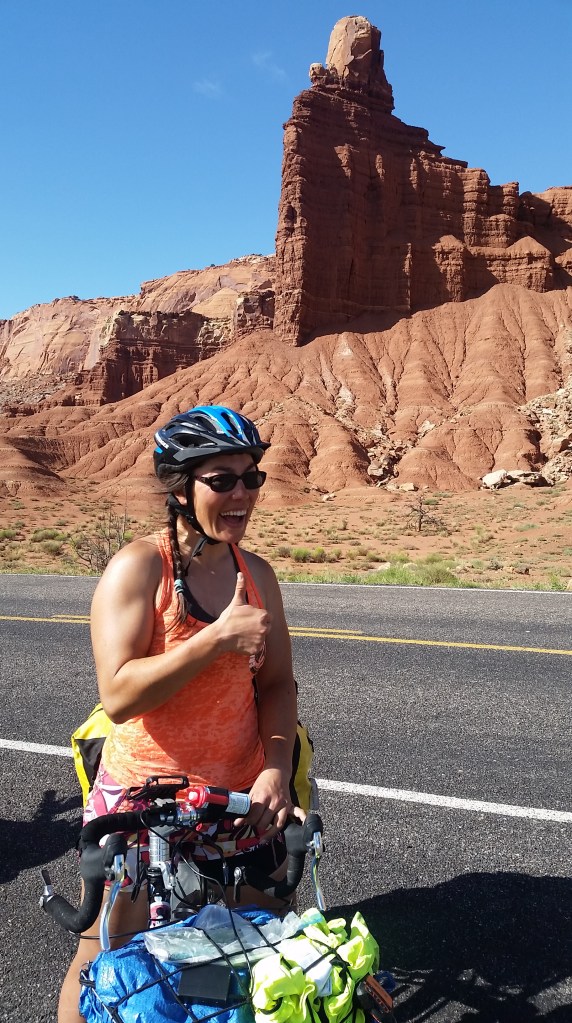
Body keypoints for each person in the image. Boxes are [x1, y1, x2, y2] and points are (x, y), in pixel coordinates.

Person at [59, 404, 300, 1023]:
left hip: (240, 790)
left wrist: (275, 768)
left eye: (251, 477)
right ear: (181, 488)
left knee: (261, 940)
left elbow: (276, 685)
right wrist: (214, 639)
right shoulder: (140, 569)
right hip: (145, 794)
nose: (242, 494)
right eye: (222, 480)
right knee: (109, 951)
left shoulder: (258, 574)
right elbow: (118, 693)